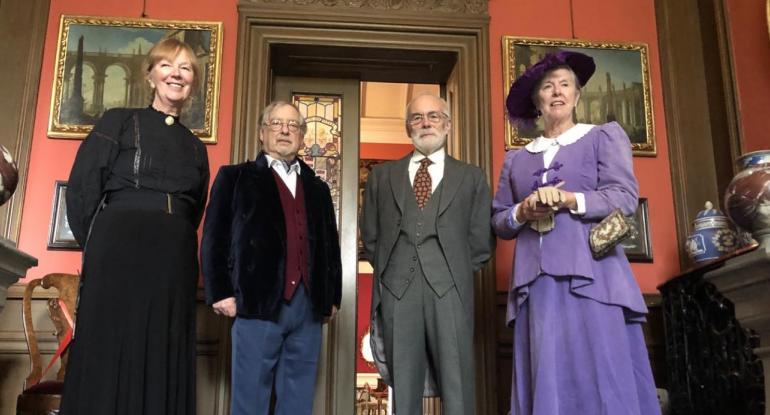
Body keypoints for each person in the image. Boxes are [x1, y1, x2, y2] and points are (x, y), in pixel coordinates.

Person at [493, 50, 660, 415]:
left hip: (594, 275)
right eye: (548, 87)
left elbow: (623, 197)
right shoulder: (516, 159)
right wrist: (523, 210)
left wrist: (570, 199)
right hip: (537, 282)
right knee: (547, 375)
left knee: (602, 371)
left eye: (565, 85)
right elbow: (499, 221)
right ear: (536, 100)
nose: (557, 92)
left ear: (577, 95)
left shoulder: (602, 137)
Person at [60, 37, 209, 415]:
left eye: (186, 68)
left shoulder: (196, 147)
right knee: (111, 345)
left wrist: (171, 237)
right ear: (150, 75)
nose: (176, 74)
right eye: (167, 65)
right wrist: (99, 249)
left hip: (173, 258)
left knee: (163, 346)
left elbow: (196, 207)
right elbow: (82, 186)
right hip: (118, 251)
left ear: (192, 82)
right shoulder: (119, 120)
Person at [200, 101, 342, 415]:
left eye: (292, 125)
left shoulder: (318, 188)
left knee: (298, 400)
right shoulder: (234, 177)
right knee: (249, 399)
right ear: (262, 132)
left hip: (308, 308)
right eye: (276, 123)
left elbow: (330, 247)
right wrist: (220, 291)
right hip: (255, 304)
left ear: (302, 136)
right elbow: (214, 238)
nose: (284, 130)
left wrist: (331, 296)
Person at [361, 93, 493, 415]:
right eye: (417, 117)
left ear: (447, 124)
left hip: (450, 291)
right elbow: (372, 236)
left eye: (434, 116)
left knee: (456, 382)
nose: (426, 123)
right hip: (397, 290)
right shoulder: (381, 176)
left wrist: (451, 273)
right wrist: (392, 277)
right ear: (408, 127)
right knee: (403, 388)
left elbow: (480, 243)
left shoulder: (471, 176)